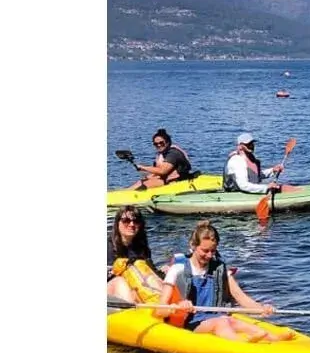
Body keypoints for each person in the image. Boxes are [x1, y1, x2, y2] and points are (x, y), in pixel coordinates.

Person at [154, 221, 293, 342]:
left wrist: (262, 308)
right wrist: (178, 306)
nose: (209, 255)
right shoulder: (177, 269)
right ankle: (241, 344)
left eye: (213, 251)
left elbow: (241, 297)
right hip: (191, 322)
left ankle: (272, 338)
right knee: (222, 322)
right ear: (193, 245)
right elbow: (159, 310)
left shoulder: (220, 269)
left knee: (231, 320)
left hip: (217, 317)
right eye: (205, 250)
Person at [107, 206, 162, 303]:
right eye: (126, 221)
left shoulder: (141, 248)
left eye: (136, 221)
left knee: (156, 278)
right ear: (117, 223)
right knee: (120, 282)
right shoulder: (107, 247)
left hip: (134, 286)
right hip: (112, 289)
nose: (131, 224)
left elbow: (150, 270)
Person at [223, 133, 299, 195]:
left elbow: (256, 176)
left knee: (285, 187)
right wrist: (266, 187)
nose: (251, 145)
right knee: (283, 189)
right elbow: (243, 185)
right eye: (247, 144)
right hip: (236, 194)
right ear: (240, 146)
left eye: (252, 143)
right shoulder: (237, 161)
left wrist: (273, 170)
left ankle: (299, 191)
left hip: (250, 191)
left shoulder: (251, 158)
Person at [130, 128, 195, 189]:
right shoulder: (163, 154)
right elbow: (157, 172)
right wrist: (148, 177)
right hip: (166, 179)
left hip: (178, 181)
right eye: (155, 144)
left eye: (161, 143)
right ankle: (124, 193)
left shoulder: (173, 153)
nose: (158, 145)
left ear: (168, 142)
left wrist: (143, 167)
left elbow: (162, 171)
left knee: (146, 184)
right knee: (140, 182)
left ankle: (135, 196)